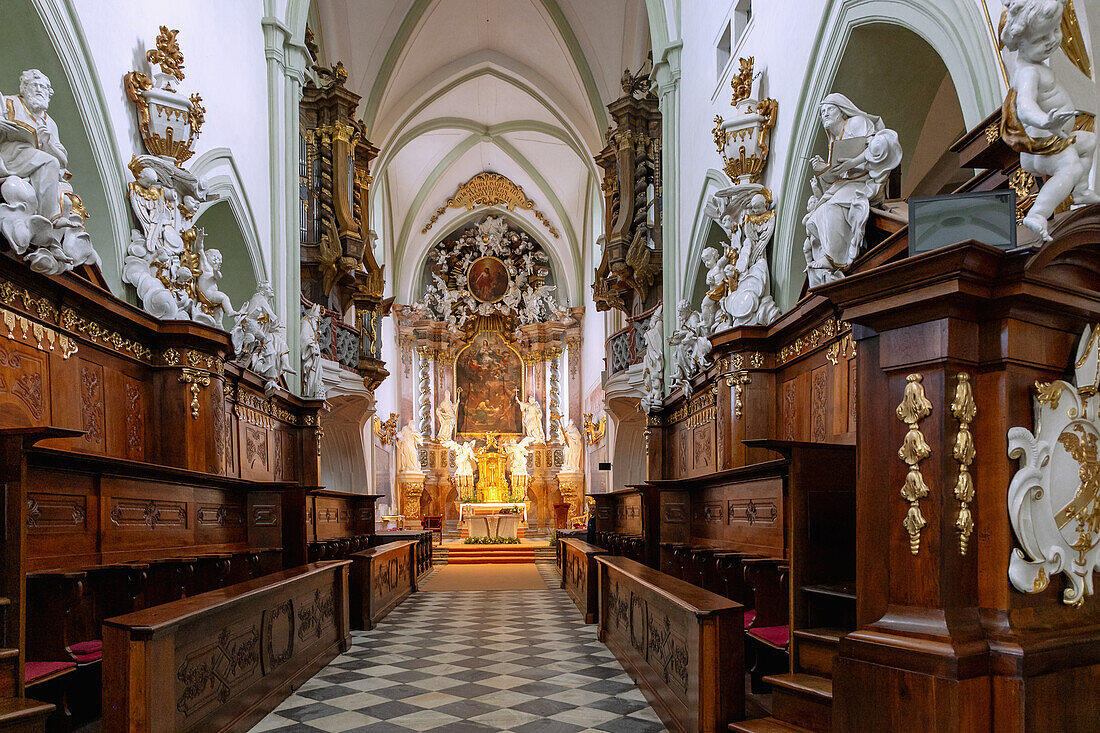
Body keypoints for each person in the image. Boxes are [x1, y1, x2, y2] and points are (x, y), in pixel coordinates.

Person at [1000, 0, 1099, 241]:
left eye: (1055, 31)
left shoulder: (1037, 65)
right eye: (1040, 39)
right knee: (1071, 166)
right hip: (1041, 149)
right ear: (1020, 44)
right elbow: (1025, 107)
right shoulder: (1027, 73)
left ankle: (1082, 191)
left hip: (1055, 139)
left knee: (1088, 142)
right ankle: (1037, 213)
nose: (1053, 40)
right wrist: (1046, 121)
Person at [802, 93, 901, 287]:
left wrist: (853, 163)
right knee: (814, 217)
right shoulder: (833, 141)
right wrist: (823, 169)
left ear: (841, 111)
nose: (825, 114)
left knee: (832, 208)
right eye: (822, 112)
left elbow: (877, 147)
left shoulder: (857, 123)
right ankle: (826, 260)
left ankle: (832, 258)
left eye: (829, 109)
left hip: (863, 183)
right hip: (844, 185)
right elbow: (835, 177)